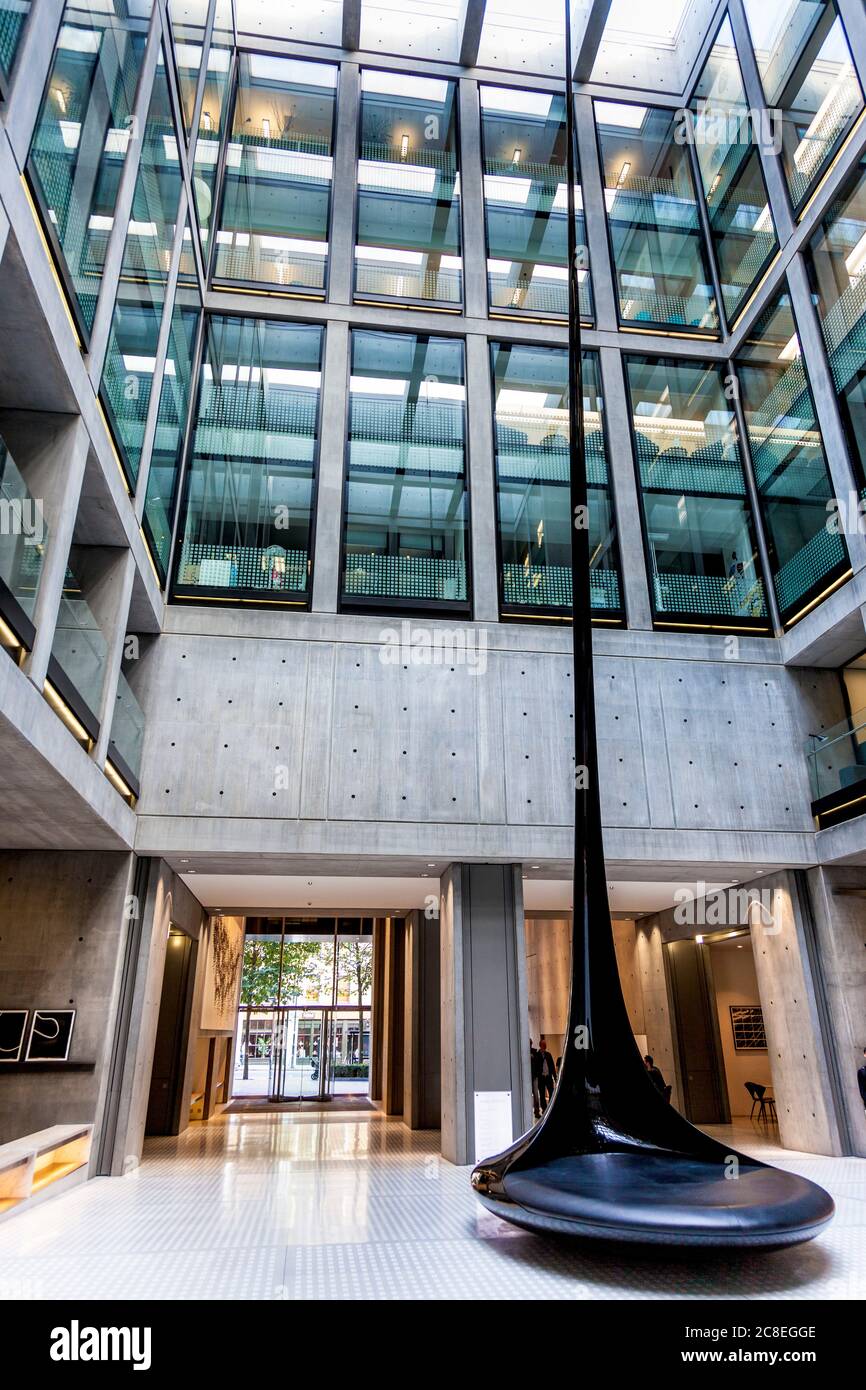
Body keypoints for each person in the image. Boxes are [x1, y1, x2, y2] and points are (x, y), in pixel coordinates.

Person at [538, 1037, 557, 1112]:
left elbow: (552, 1066)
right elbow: (536, 1066)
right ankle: (544, 1109)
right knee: (542, 1094)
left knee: (551, 1093)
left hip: (548, 1077)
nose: (545, 1045)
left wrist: (555, 1077)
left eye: (545, 1044)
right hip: (541, 1077)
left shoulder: (548, 1054)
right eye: (543, 1044)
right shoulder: (537, 1055)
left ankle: (550, 1108)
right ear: (540, 1045)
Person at [530, 1039, 542, 1119]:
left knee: (536, 1095)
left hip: (534, 1076)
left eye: (530, 1043)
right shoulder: (522, 1052)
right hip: (527, 1077)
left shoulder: (535, 1052)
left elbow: (537, 1063)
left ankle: (537, 1111)